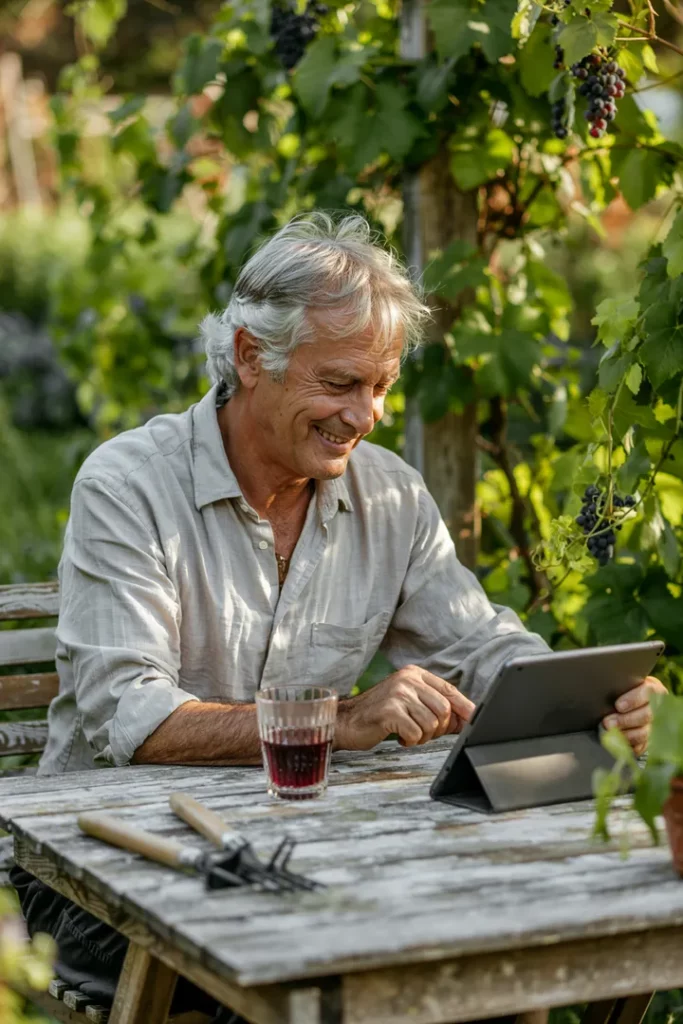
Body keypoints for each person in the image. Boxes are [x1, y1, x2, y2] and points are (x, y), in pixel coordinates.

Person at [11, 213, 663, 1018]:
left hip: (307, 854)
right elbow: (134, 718)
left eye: (382, 385)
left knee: (519, 932)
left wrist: (603, 702)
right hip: (101, 870)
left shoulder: (385, 494)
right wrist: (338, 720)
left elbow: (481, 646)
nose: (367, 414)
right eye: (340, 383)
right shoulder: (128, 487)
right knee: (328, 961)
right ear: (252, 357)